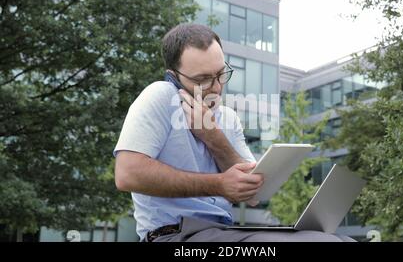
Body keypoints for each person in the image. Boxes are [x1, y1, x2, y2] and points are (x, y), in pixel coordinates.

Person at [113, 23, 354, 242]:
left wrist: (213, 136)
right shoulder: (160, 95)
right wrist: (218, 184)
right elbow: (127, 175)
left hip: (222, 232)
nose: (217, 87)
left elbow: (253, 196)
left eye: (220, 74)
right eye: (203, 79)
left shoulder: (227, 117)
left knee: (343, 241)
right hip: (173, 235)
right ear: (173, 77)